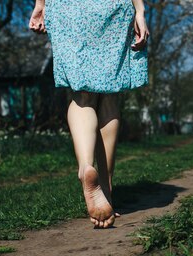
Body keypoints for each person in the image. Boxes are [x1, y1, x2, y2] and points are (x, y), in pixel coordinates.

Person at [28, 0, 149, 228]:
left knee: (82, 94)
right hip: (112, 6)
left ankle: (86, 167)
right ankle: (106, 190)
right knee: (109, 95)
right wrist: (140, 11)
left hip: (68, 8)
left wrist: (40, 4)